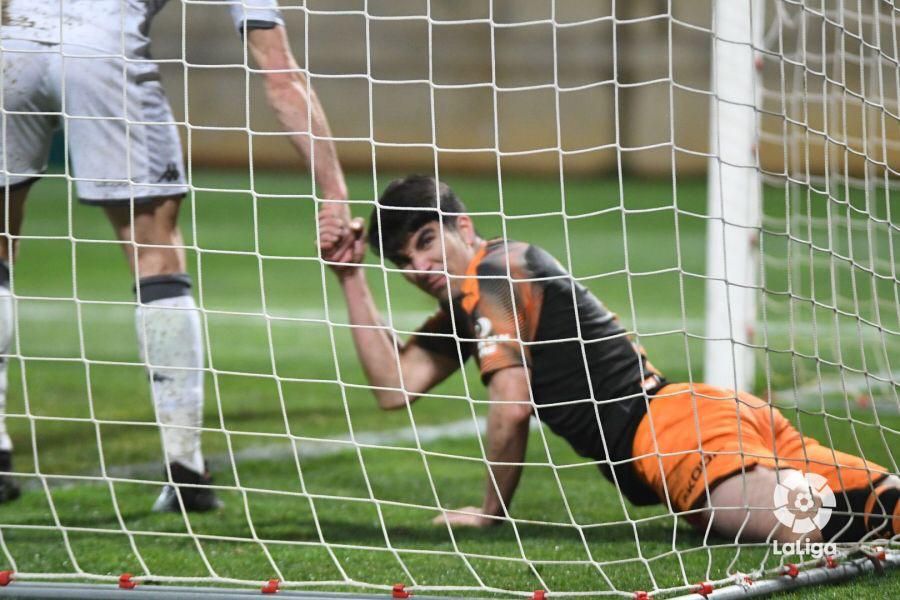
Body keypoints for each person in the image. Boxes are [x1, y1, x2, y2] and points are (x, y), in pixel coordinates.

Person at [318, 174, 898, 543]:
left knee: (811, 525)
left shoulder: (493, 276)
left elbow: (512, 406)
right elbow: (395, 386)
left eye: (425, 241)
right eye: (403, 261)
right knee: (881, 505)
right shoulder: (483, 293)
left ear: (462, 227)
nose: (419, 268)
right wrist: (350, 278)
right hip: (702, 417)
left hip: (671, 434)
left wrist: (489, 513)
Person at [0, 0, 349, 510]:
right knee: (153, 252)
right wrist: (334, 188)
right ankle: (186, 470)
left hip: (11, 39)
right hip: (102, 48)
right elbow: (279, 73)